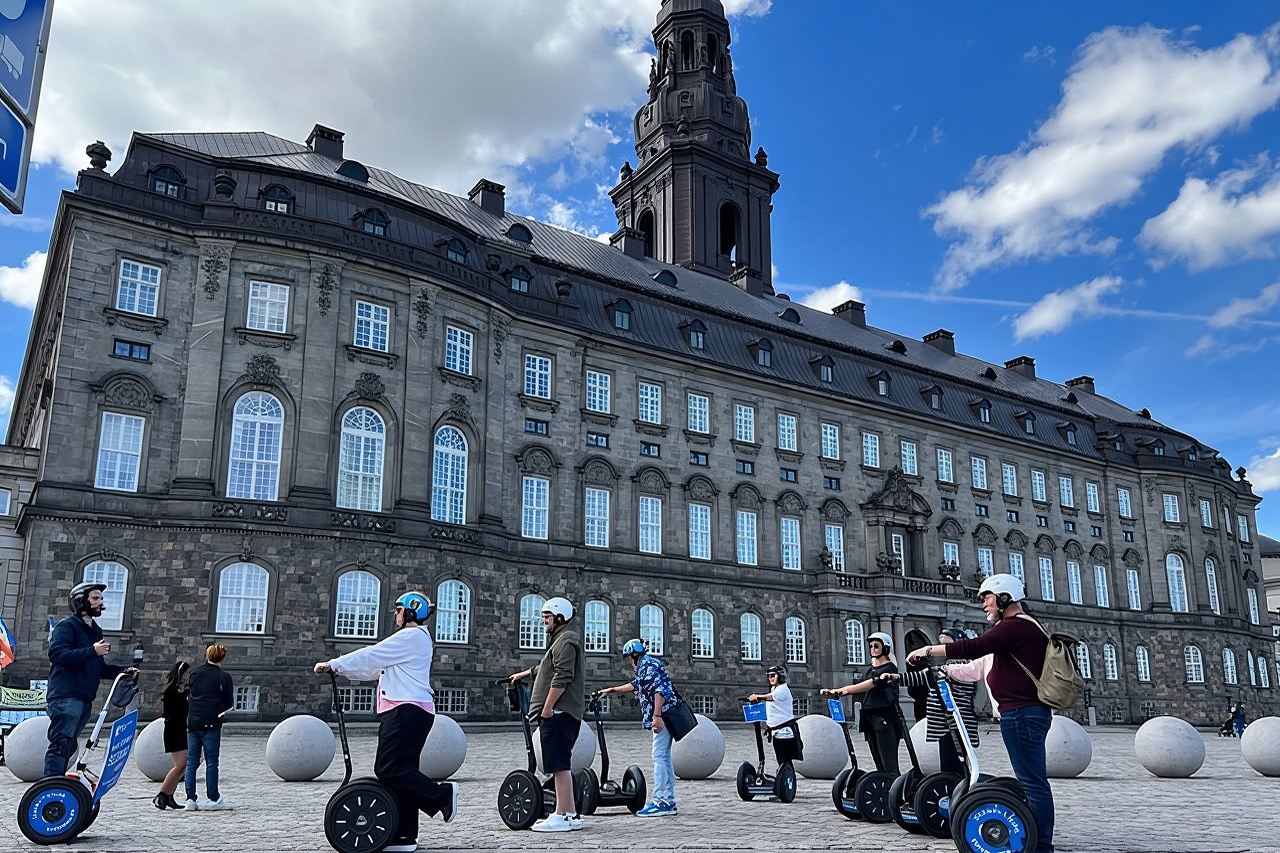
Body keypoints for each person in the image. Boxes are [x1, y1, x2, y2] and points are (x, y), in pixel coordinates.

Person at [908, 574, 1056, 853]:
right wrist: (946, 670)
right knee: (1032, 780)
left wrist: (928, 649)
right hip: (1022, 713)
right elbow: (977, 665)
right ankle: (1036, 838)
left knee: (1033, 782)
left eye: (987, 598)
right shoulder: (1021, 629)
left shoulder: (1015, 627)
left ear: (1004, 598)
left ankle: (1040, 845)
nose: (985, 605)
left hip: (1022, 714)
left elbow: (973, 647)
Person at [315, 591, 457, 852]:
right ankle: (404, 836)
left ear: (410, 613)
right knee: (402, 771)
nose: (395, 615)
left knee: (389, 769)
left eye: (399, 610)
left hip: (406, 710)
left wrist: (334, 663)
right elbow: (372, 668)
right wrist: (340, 670)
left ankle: (441, 795)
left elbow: (372, 654)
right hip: (410, 711)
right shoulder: (414, 639)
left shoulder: (411, 636)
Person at [44, 580, 138, 777]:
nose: (100, 602)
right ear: (80, 602)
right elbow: (57, 655)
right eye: (95, 598)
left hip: (84, 698)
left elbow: (98, 667)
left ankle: (59, 784)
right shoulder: (67, 626)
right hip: (66, 696)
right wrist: (91, 650)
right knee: (61, 743)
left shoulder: (95, 630)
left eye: (101, 598)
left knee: (69, 745)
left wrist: (123, 671)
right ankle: (49, 787)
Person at [507, 596, 584, 833]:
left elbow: (562, 676)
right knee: (562, 764)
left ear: (560, 617)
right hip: (561, 713)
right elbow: (547, 667)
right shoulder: (562, 640)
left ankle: (560, 815)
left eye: (547, 617)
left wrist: (548, 708)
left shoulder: (565, 641)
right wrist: (525, 673)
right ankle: (569, 814)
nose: (544, 622)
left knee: (557, 764)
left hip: (558, 713)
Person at [596, 638, 680, 816]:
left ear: (634, 655)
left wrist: (656, 716)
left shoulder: (648, 665)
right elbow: (637, 684)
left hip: (663, 715)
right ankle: (668, 800)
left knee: (660, 757)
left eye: (628, 657)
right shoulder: (645, 666)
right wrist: (612, 690)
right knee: (663, 757)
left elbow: (660, 690)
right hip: (664, 714)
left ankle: (662, 802)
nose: (628, 661)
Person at [886, 629, 978, 775]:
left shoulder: (962, 665)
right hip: (944, 723)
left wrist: (922, 655)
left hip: (957, 721)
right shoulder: (947, 666)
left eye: (946, 646)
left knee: (956, 761)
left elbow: (932, 675)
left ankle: (958, 785)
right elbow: (923, 677)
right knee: (948, 760)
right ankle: (952, 784)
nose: (942, 650)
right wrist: (897, 677)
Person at [820, 631, 900, 774]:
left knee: (889, 762)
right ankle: (883, 787)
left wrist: (841, 691)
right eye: (871, 646)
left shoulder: (889, 669)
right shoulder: (871, 669)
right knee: (878, 761)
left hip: (884, 719)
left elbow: (869, 684)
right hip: (870, 718)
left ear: (886, 648)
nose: (873, 649)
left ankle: (894, 789)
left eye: (876, 646)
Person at [183, 644, 234, 810]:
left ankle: (190, 798)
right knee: (212, 762)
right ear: (222, 658)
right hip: (211, 722)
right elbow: (229, 703)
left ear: (207, 656)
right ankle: (213, 797)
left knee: (192, 761)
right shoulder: (223, 676)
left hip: (193, 722)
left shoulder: (195, 673)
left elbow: (190, 695)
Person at [747, 665, 802, 768]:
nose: (770, 678)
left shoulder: (783, 689)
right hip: (776, 732)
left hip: (784, 732)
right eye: (769, 676)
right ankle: (784, 777)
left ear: (780, 676)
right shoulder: (774, 688)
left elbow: (769, 697)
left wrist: (757, 697)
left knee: (784, 760)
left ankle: (786, 779)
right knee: (781, 759)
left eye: (773, 675)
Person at [153, 660, 190, 809]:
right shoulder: (172, 691)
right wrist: (185, 696)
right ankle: (162, 794)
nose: (188, 676)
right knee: (180, 765)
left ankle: (169, 795)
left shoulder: (178, 690)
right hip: (174, 730)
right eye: (187, 673)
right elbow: (173, 711)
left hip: (178, 729)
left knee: (182, 765)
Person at [903, 628, 932, 723]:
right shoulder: (926, 665)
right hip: (922, 695)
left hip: (919, 695)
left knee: (921, 715)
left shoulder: (920, 666)